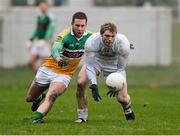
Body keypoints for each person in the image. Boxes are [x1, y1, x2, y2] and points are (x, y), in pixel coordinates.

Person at [26, 11, 92, 123]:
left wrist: (123, 45)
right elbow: (55, 48)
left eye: (82, 26)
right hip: (48, 69)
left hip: (64, 74)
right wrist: (58, 59)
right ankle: (37, 99)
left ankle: (37, 118)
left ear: (86, 25)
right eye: (77, 25)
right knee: (29, 98)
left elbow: (104, 41)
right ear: (72, 24)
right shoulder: (64, 35)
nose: (80, 29)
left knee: (52, 95)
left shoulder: (90, 37)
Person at [75, 22, 135, 123]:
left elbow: (121, 68)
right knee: (81, 82)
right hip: (97, 61)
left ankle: (127, 108)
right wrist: (93, 84)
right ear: (101, 34)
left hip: (114, 64)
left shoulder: (123, 44)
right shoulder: (92, 42)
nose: (110, 39)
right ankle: (82, 116)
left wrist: (117, 84)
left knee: (122, 98)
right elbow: (89, 65)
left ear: (116, 34)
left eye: (113, 36)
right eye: (107, 35)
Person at [26, 1, 55, 72]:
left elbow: (51, 28)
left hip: (46, 42)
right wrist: (31, 38)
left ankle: (42, 77)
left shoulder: (50, 17)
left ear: (47, 7)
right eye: (41, 6)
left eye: (44, 6)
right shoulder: (39, 17)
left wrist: (46, 39)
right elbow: (37, 29)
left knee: (45, 63)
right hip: (38, 41)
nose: (42, 8)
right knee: (31, 61)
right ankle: (38, 75)